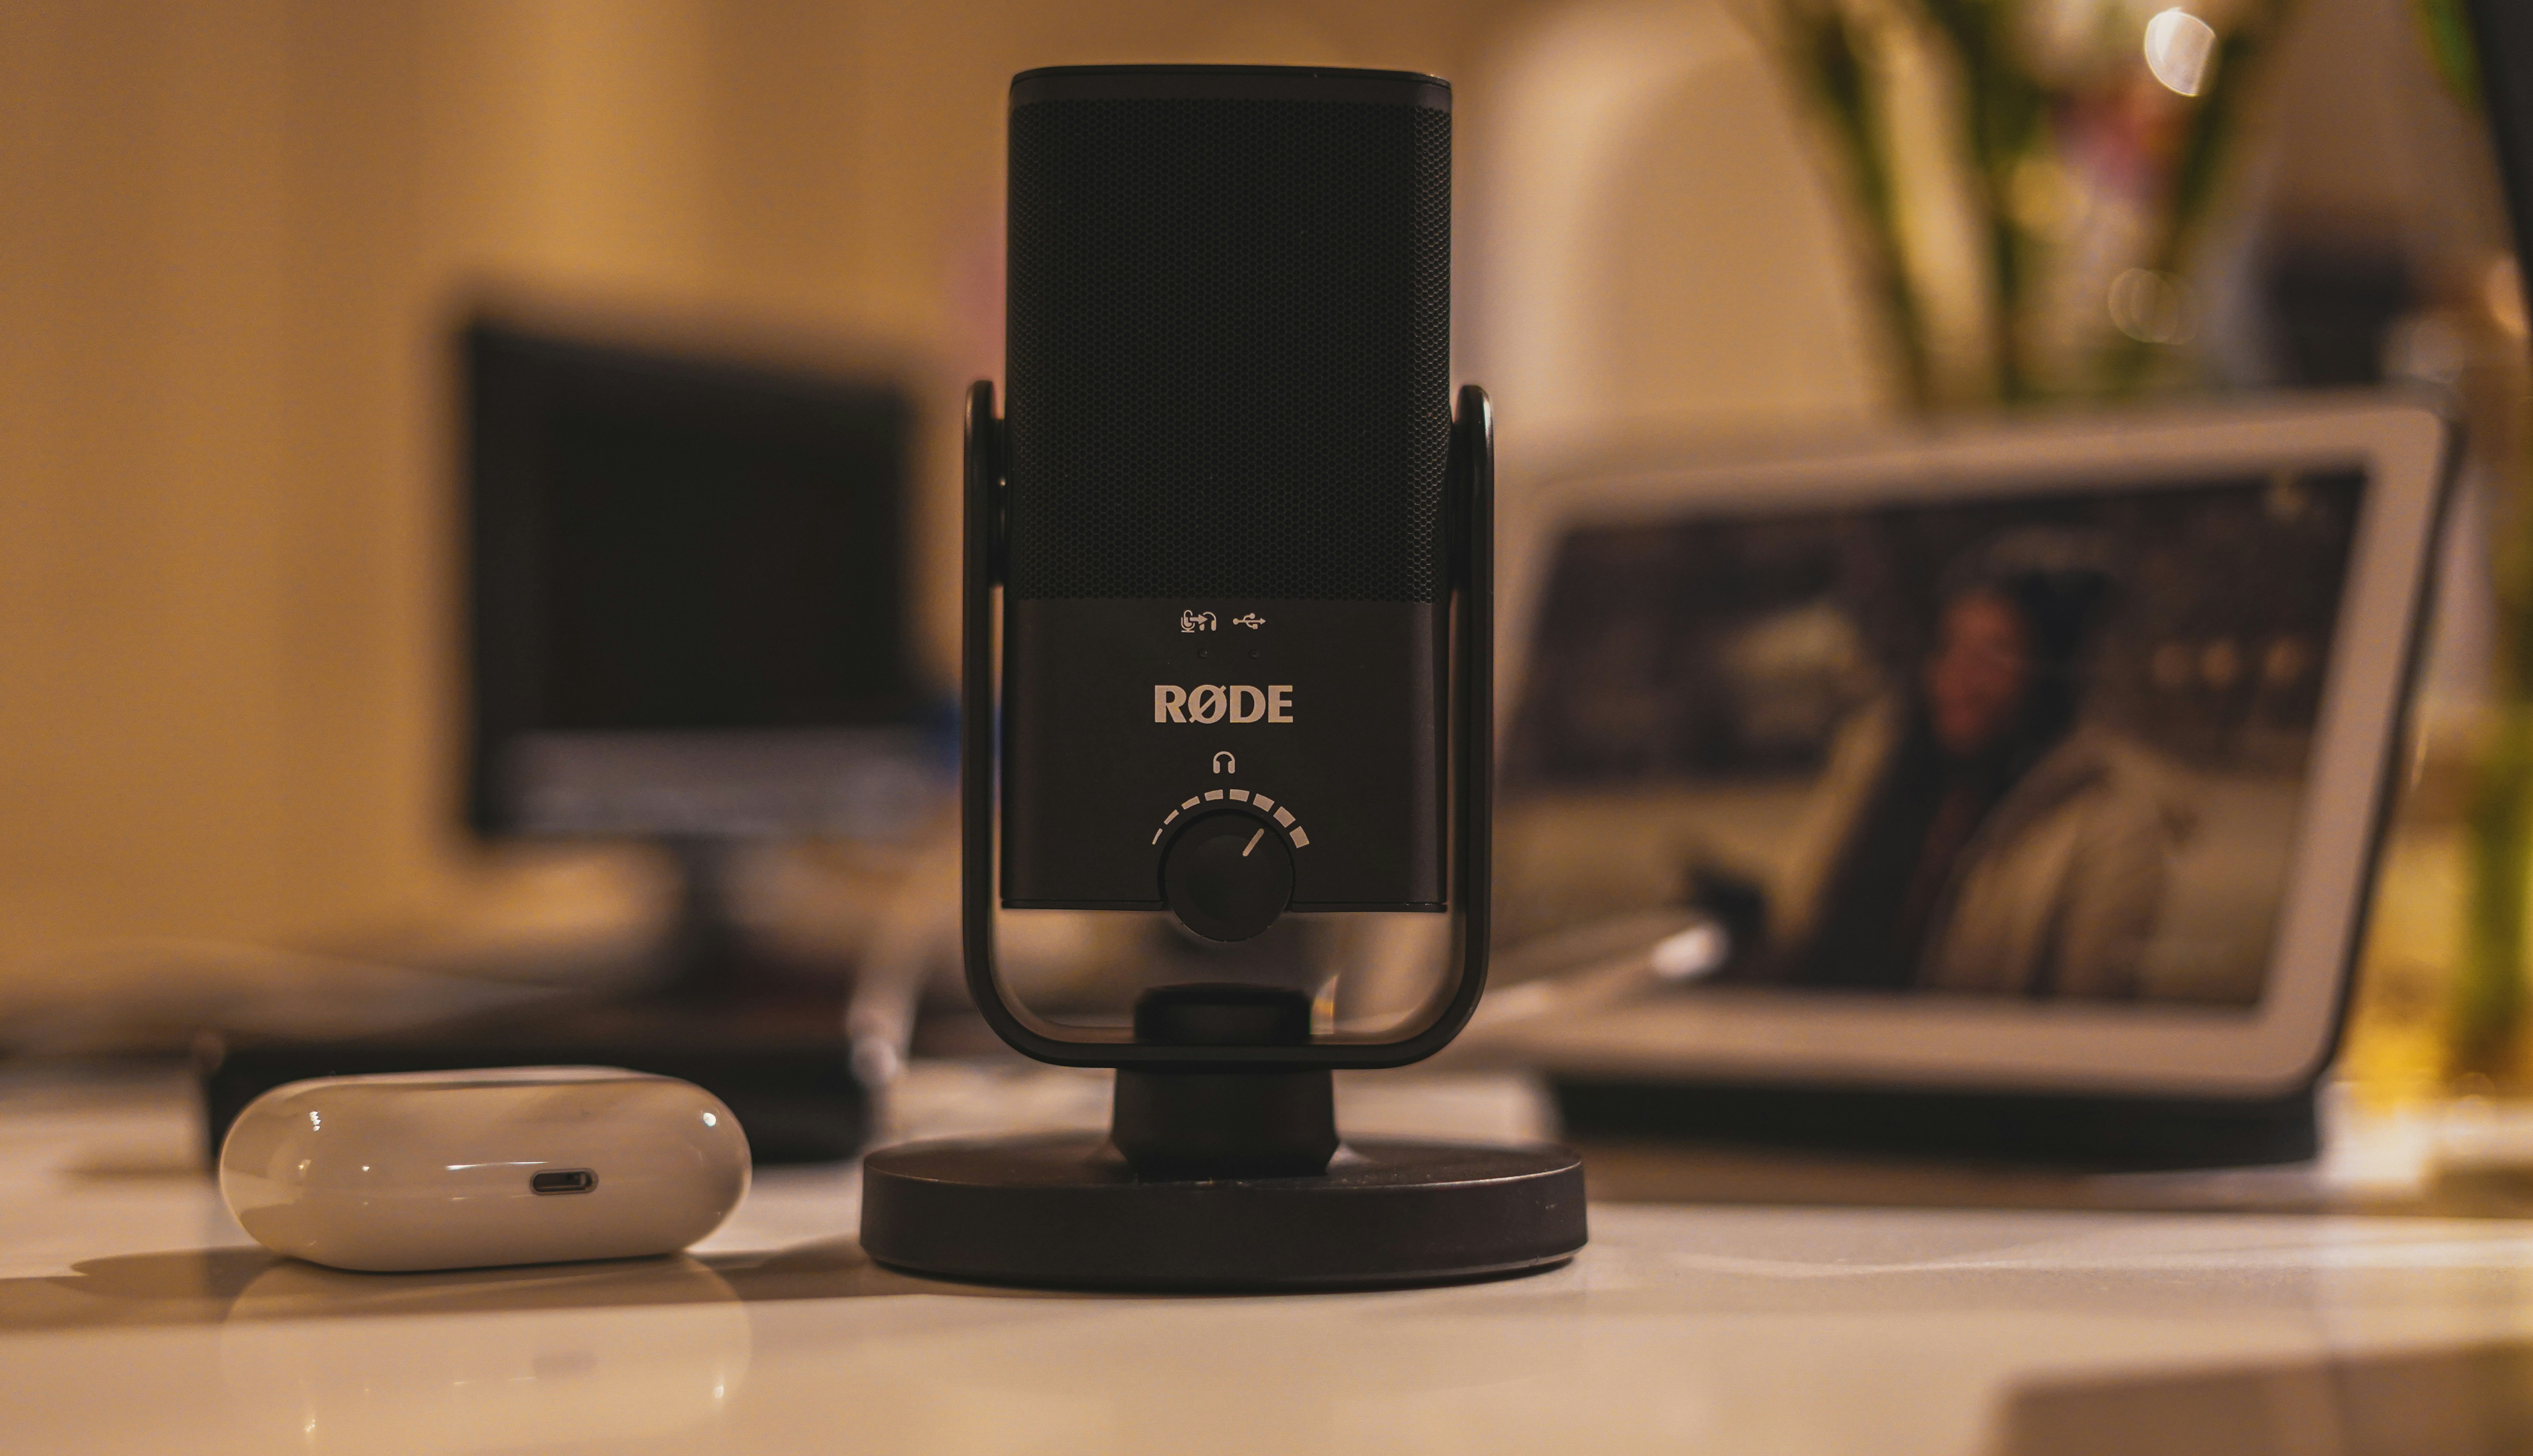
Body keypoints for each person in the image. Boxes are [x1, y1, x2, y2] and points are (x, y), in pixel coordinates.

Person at [1760, 534, 2191, 998]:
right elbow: (1801, 919)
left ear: (2050, 676)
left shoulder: (2111, 826)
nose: (1959, 678)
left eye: (1996, 653)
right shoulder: (1884, 765)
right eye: (1950, 647)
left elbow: (2092, 1022)